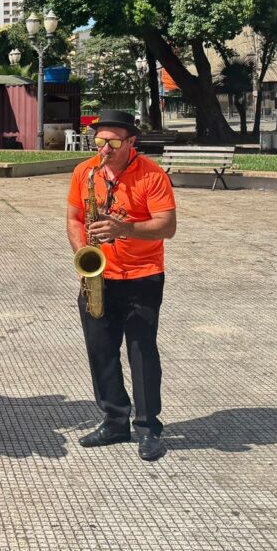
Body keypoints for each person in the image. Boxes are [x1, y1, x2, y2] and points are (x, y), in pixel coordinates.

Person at [66, 109, 177, 461]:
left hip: (142, 276)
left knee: (142, 351)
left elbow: (167, 226)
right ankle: (114, 420)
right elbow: (74, 218)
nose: (104, 149)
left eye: (112, 143)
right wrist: (83, 255)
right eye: (99, 141)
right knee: (100, 350)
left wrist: (123, 229)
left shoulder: (152, 175)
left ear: (131, 142)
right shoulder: (85, 172)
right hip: (99, 276)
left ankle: (148, 427)